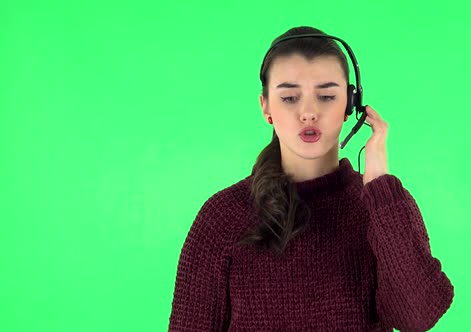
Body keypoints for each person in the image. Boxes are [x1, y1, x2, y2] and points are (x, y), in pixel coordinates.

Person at [168, 26, 454, 332]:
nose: (308, 113)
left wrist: (379, 185)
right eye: (290, 97)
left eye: (327, 96)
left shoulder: (383, 207)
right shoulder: (223, 216)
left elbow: (417, 318)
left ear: (350, 105)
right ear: (266, 107)